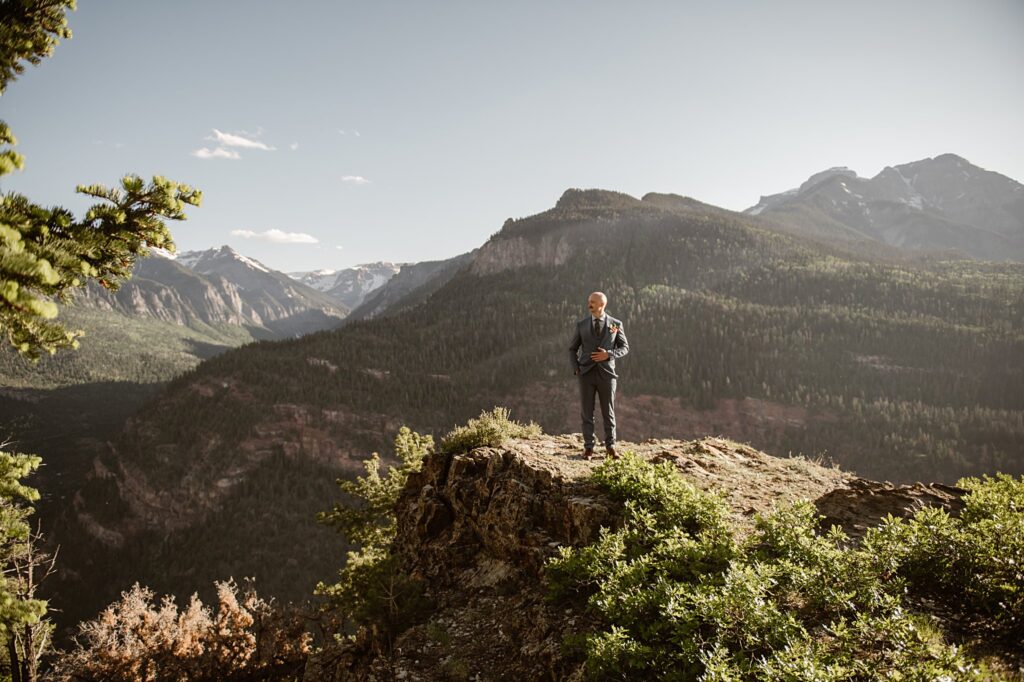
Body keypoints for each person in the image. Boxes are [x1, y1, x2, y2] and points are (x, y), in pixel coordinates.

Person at [569, 291, 629, 459]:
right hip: (586, 374)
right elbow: (572, 349)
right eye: (589, 301)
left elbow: (624, 348)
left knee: (608, 412)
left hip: (607, 375)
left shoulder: (615, 324)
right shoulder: (581, 325)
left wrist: (608, 354)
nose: (589, 304)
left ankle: (611, 447)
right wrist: (576, 368)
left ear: (602, 305)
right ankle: (589, 448)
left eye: (593, 302)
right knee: (587, 412)